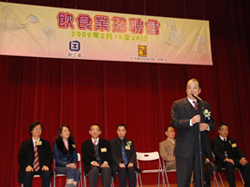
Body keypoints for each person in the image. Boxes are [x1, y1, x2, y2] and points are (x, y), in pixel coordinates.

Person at [171, 78, 215, 187]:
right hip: (184, 149)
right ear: (186, 90)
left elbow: (212, 122)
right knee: (183, 181)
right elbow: (175, 123)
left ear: (199, 90)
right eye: (189, 88)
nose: (192, 90)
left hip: (200, 148)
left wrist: (207, 126)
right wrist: (190, 121)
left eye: (195, 88)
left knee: (200, 180)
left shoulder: (205, 105)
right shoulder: (178, 104)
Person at [211, 123, 250, 187]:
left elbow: (238, 150)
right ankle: (232, 185)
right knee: (230, 164)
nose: (225, 131)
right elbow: (216, 152)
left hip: (234, 160)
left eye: (226, 130)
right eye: (223, 130)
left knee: (246, 164)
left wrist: (242, 158)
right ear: (219, 131)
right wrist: (226, 159)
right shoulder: (214, 141)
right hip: (222, 161)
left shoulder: (231, 140)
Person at [18, 121, 53, 187]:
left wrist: (46, 165)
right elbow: (21, 158)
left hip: (42, 167)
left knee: (47, 173)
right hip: (29, 167)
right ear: (31, 131)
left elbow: (49, 156)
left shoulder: (46, 144)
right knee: (27, 174)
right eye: (35, 129)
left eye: (39, 129)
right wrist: (27, 165)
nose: (38, 130)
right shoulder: (25, 144)